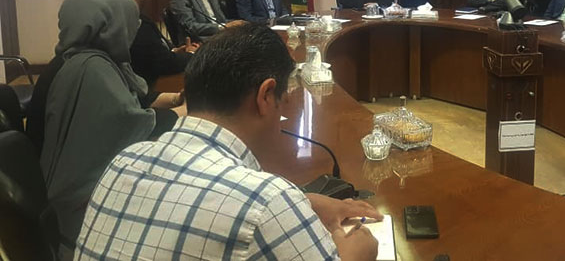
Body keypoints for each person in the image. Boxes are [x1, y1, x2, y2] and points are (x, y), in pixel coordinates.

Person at [74, 23, 381, 260]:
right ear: (265, 96)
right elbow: (250, 207)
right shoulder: (266, 200)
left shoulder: (125, 160)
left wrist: (303, 202)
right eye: (284, 98)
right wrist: (359, 255)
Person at [39, 0, 186, 252]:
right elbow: (130, 124)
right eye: (130, 20)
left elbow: (133, 100)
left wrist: (175, 99)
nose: (135, 28)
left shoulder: (84, 57)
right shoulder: (90, 70)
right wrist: (189, 110)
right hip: (79, 208)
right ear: (111, 25)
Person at [106, 0, 199, 87]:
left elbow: (154, 56)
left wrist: (173, 52)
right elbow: (165, 64)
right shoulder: (138, 25)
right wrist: (192, 54)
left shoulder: (112, 18)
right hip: (150, 89)